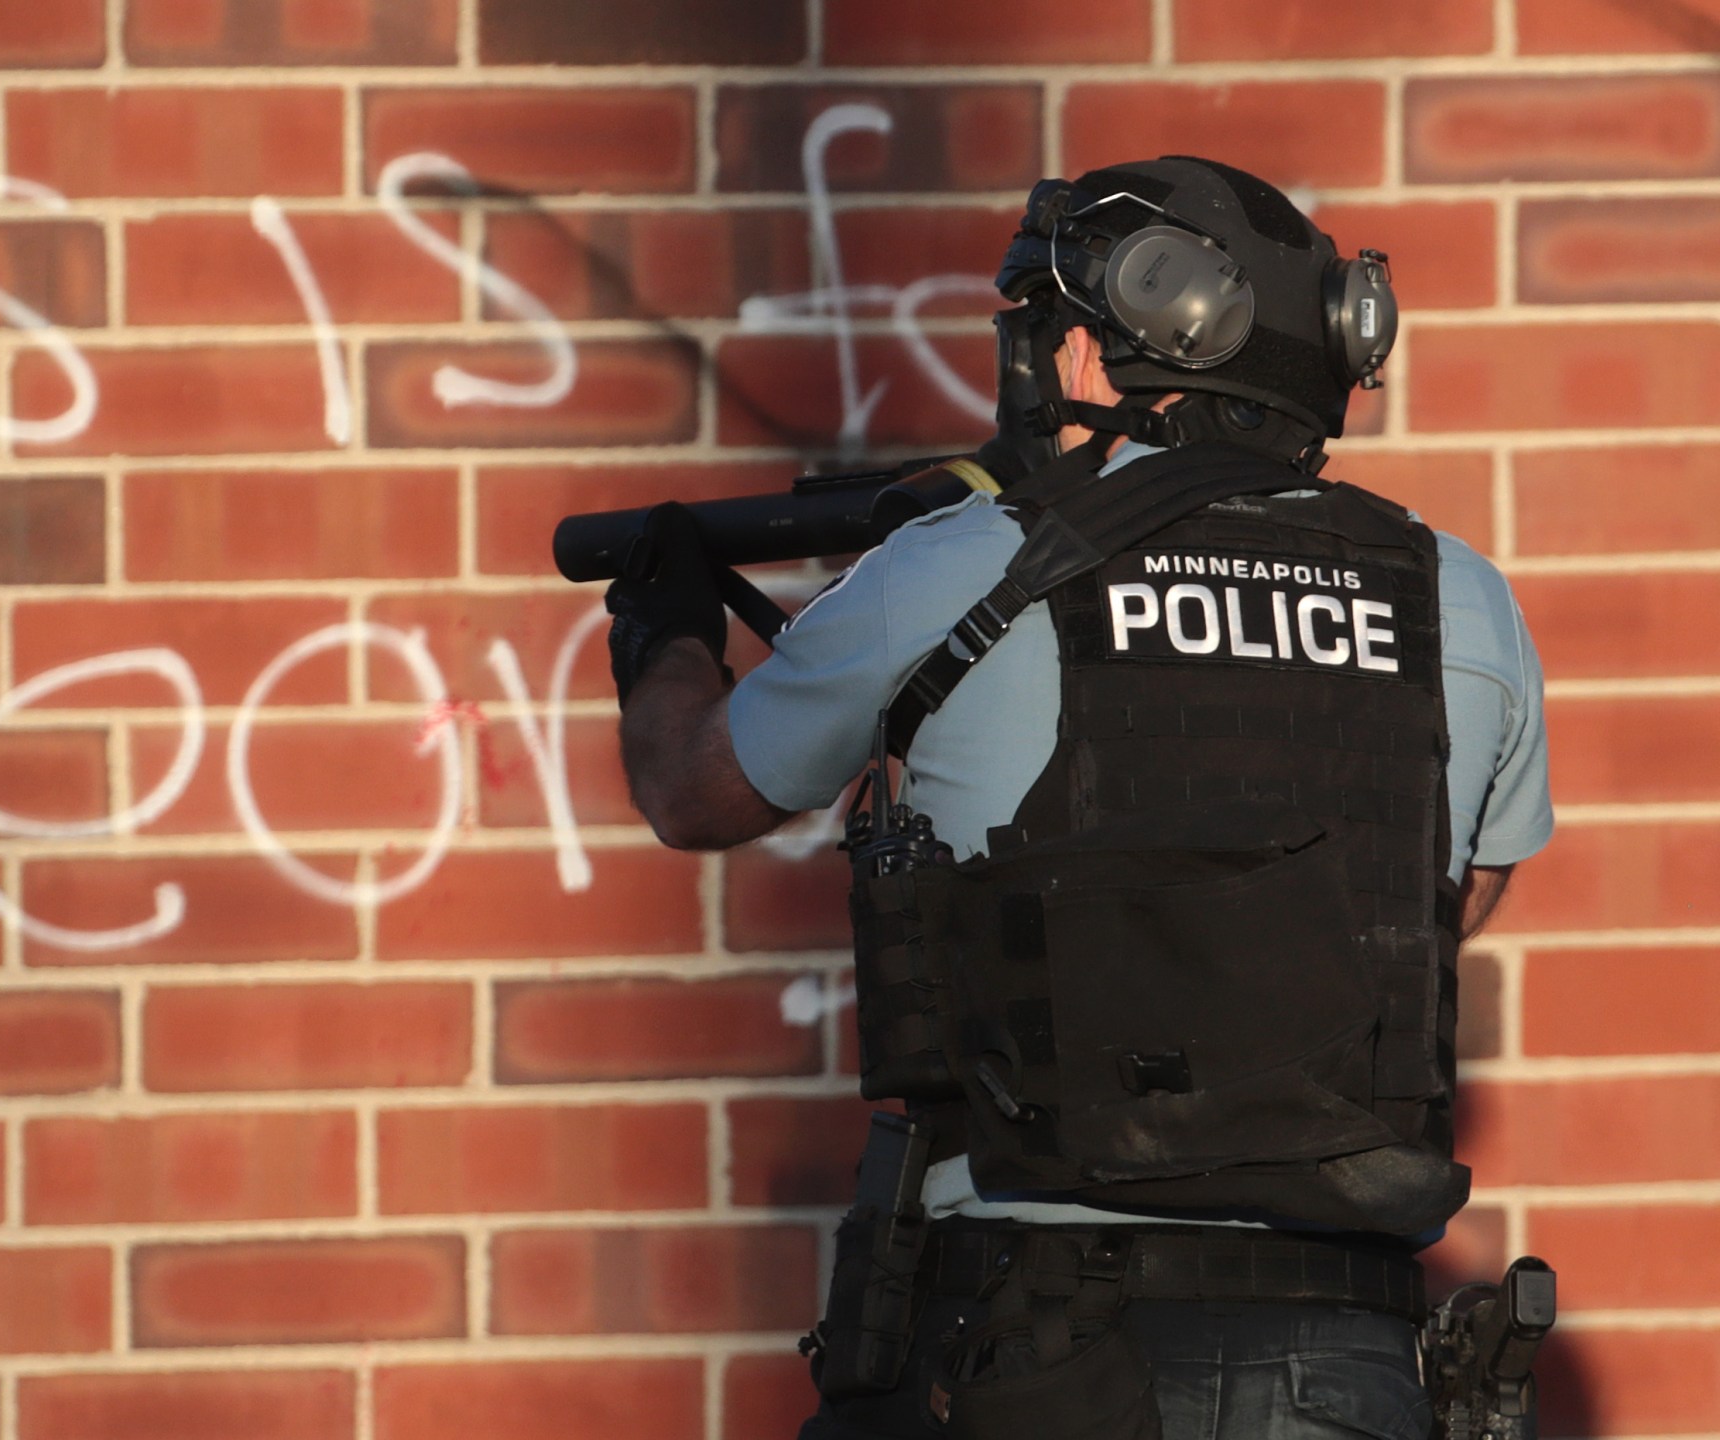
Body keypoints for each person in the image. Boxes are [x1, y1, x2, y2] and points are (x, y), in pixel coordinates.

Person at [604, 156, 1552, 1439]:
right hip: (1347, 1357)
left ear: (1104, 355)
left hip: (1025, 1340)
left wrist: (662, 627)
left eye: (1049, 336)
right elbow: (1443, 906)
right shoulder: (1462, 598)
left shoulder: (961, 564)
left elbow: (693, 789)